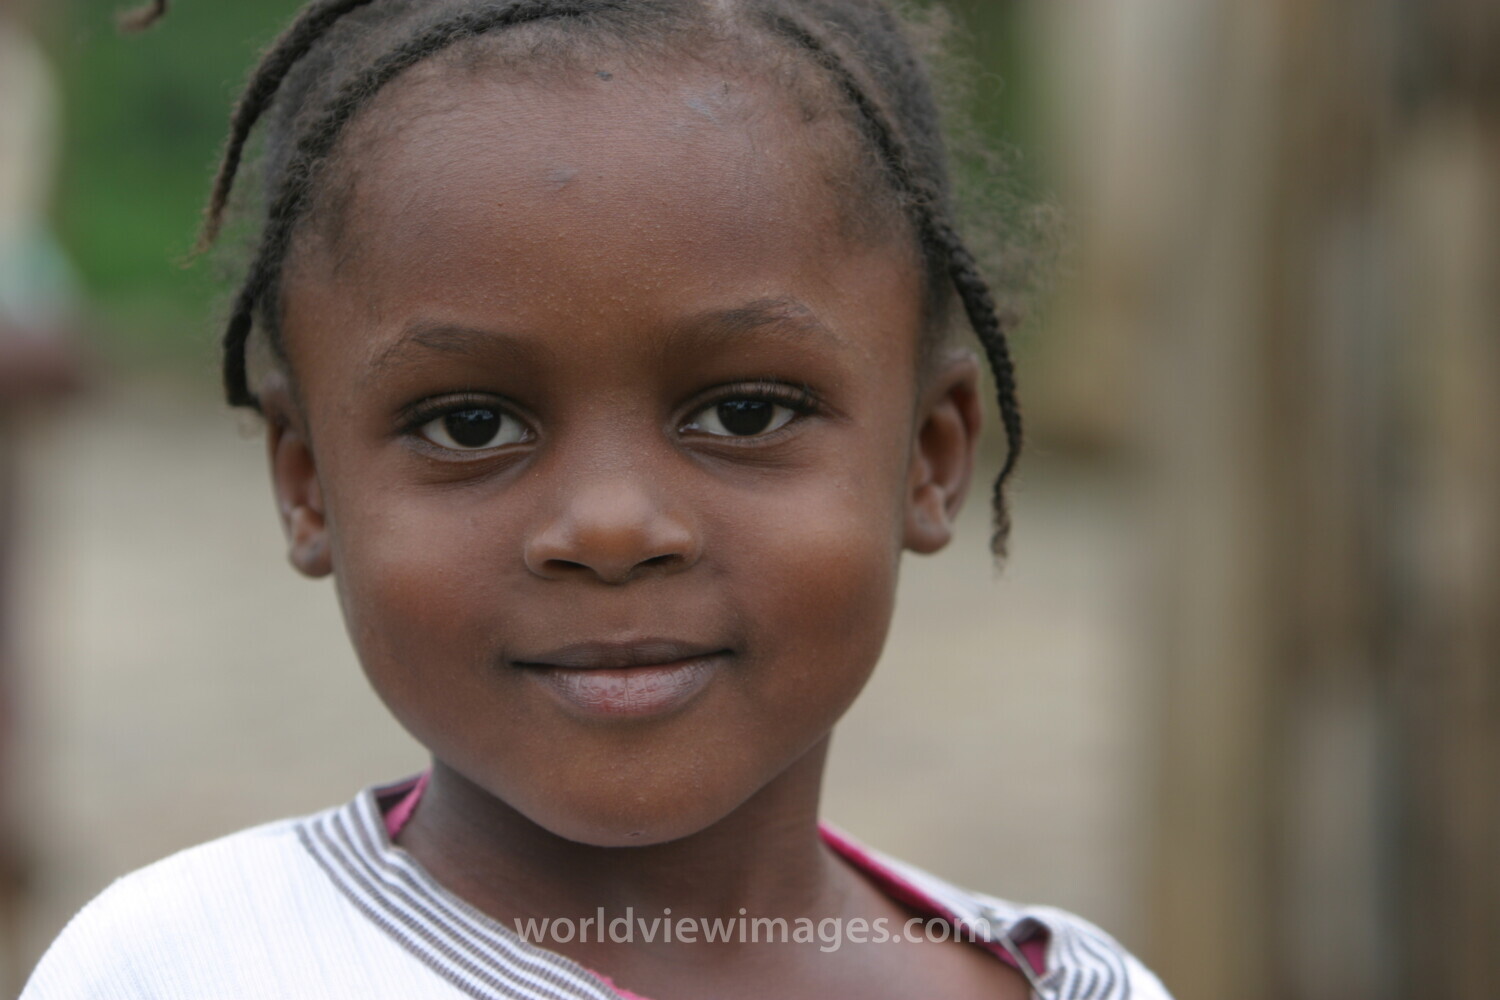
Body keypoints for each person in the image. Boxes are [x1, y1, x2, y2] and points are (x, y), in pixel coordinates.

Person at [22, 1, 1172, 997]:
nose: (614, 527)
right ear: (306, 481)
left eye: (745, 412)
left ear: (928, 455)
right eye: (471, 425)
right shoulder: (189, 970)